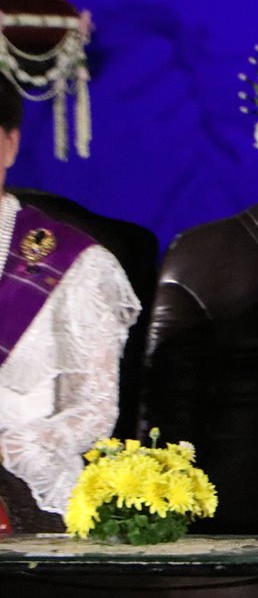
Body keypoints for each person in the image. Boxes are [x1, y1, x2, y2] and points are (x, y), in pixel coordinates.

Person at [0, 75, 141, 533]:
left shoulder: (76, 264)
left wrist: (15, 447)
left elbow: (94, 408)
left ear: (10, 145)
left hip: (25, 489)